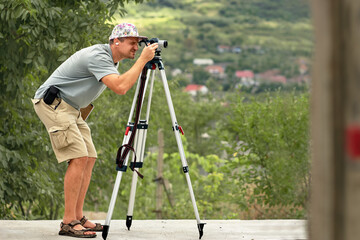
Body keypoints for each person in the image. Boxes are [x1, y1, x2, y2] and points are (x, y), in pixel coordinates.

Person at [32, 23, 158, 238]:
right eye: (132, 43)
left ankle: (78, 216)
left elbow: (120, 83)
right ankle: (68, 222)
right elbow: (120, 88)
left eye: (138, 44)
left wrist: (141, 60)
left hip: (71, 108)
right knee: (79, 156)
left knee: (89, 157)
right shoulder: (98, 56)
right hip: (54, 104)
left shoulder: (112, 60)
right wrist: (142, 61)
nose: (136, 47)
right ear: (115, 41)